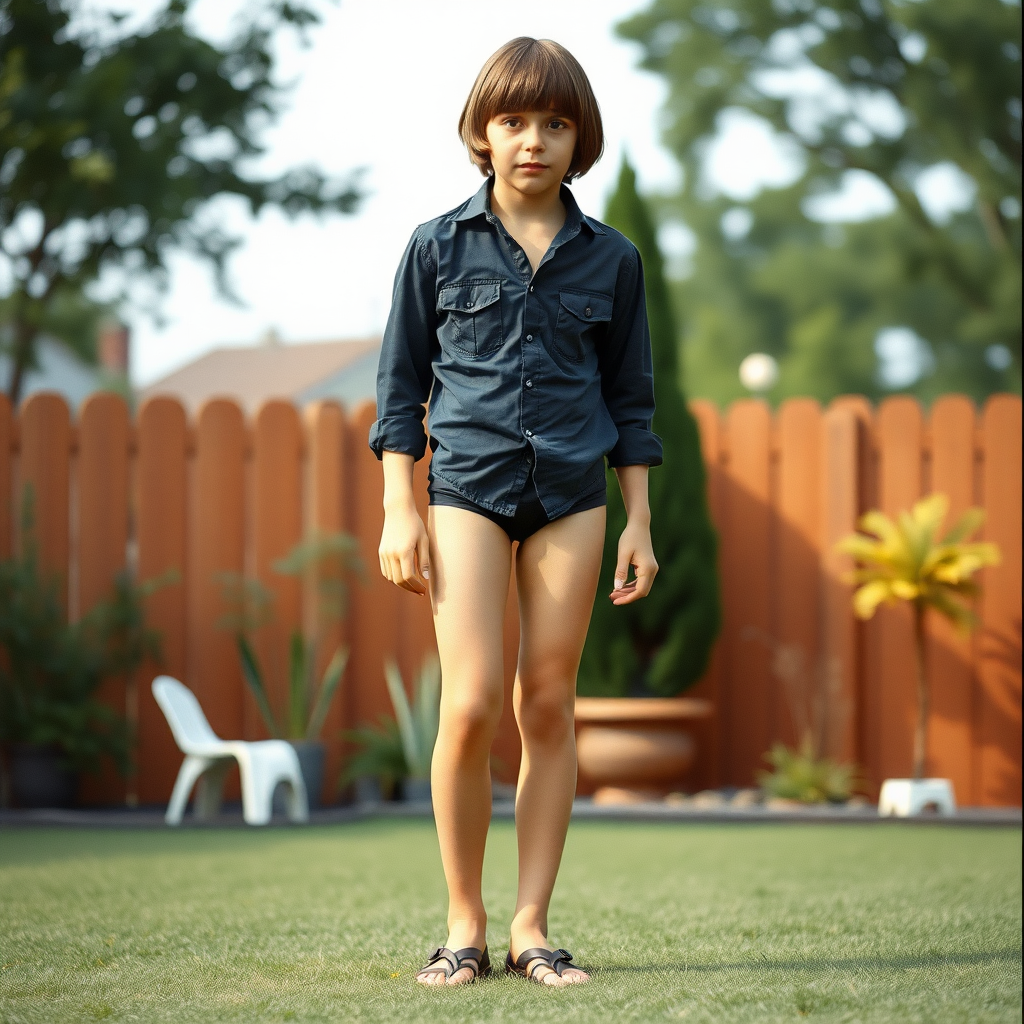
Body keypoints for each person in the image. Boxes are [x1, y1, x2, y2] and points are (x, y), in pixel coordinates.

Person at [369, 36, 663, 987]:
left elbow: (633, 405)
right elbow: (398, 391)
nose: (532, 139)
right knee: (471, 702)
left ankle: (532, 927)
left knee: (547, 699)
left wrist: (640, 524)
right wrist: (398, 511)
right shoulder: (434, 246)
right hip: (465, 491)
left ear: (581, 139)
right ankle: (464, 924)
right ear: (481, 133)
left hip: (573, 495)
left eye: (554, 121)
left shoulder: (612, 260)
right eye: (512, 121)